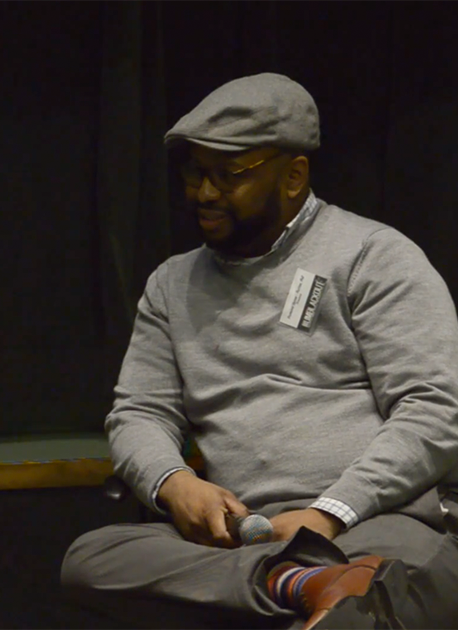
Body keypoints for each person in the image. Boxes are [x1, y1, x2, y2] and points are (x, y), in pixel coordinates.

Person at [60, 73, 458, 629]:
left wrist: (327, 513)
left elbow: (431, 410)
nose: (203, 193)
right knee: (89, 560)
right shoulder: (172, 285)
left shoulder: (374, 257)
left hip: (373, 522)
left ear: (294, 176)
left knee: (381, 598)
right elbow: (139, 412)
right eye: (195, 172)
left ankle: (318, 585)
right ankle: (297, 581)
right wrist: (176, 485)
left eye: (228, 175)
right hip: (246, 538)